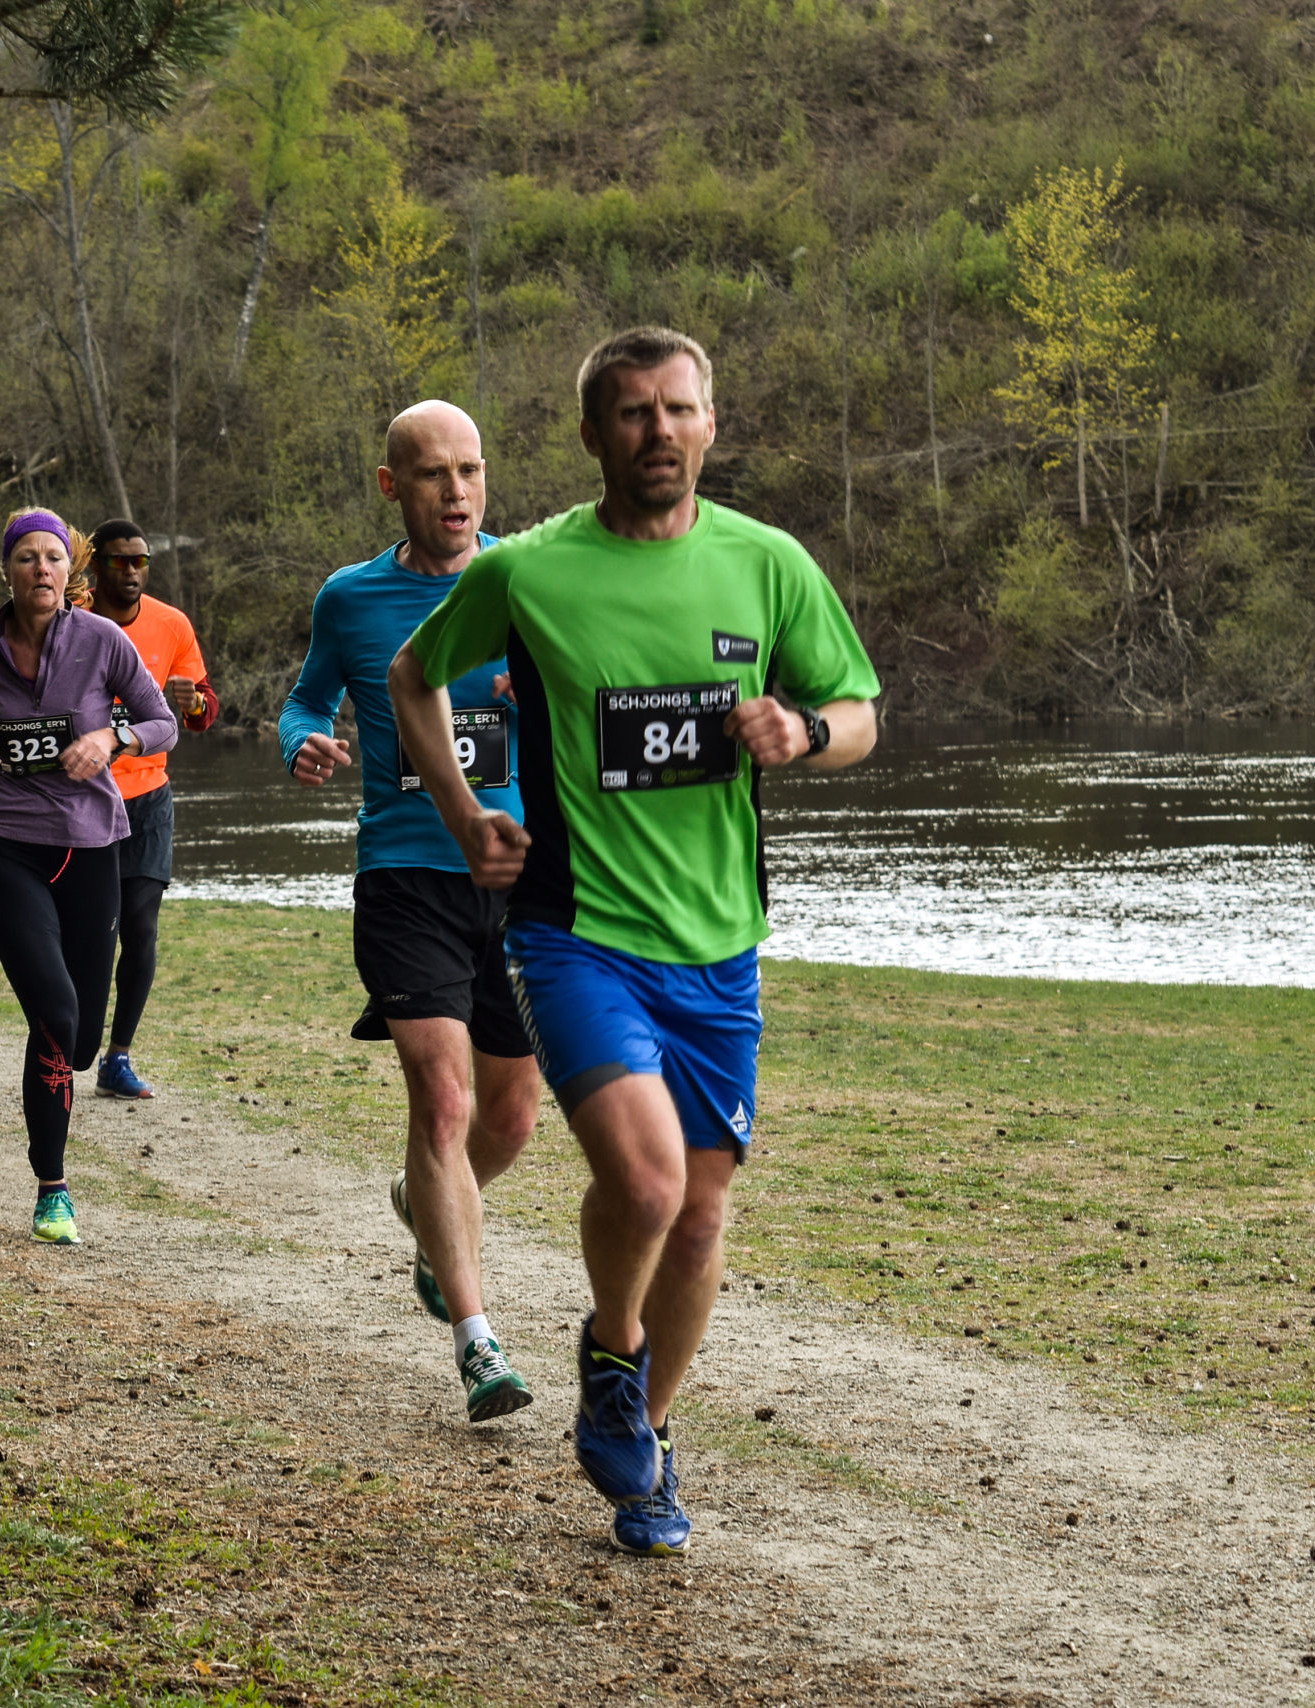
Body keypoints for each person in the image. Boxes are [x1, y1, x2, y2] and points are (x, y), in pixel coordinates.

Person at [389, 328, 881, 1554]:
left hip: (719, 945)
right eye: (630, 413)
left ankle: (642, 1437)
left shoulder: (766, 565)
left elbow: (860, 710)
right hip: (575, 932)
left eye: (678, 409)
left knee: (702, 1215)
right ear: (592, 433)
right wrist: (465, 817)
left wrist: (803, 734)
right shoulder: (534, 573)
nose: (657, 431)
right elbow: (412, 675)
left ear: (711, 422)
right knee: (649, 1178)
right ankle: (613, 1340)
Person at [280, 400, 543, 1423]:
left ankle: (429, 1212)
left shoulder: (525, 579)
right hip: (403, 878)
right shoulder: (350, 598)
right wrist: (299, 742)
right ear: (393, 486)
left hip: (519, 880)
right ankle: (477, 1342)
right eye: (433, 474)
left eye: (471, 470)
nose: (458, 492)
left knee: (511, 1112)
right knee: (439, 1102)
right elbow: (307, 699)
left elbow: (584, 692)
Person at [0, 508, 177, 1244]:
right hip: (9, 846)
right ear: (7, 570)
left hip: (93, 847)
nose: (41, 569)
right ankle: (53, 1186)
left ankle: (62, 1113)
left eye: (53, 559)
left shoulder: (102, 641)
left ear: (73, 572)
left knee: (84, 1039)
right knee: (55, 1014)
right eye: (27, 558)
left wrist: (110, 736)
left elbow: (160, 722)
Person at [77, 519, 219, 1098]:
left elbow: (207, 713)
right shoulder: (72, 618)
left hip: (149, 799)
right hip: (82, 798)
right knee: (89, 934)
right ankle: (71, 1041)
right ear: (96, 568)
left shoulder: (172, 624)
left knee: (140, 928)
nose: (132, 572)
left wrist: (193, 704)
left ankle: (118, 1055)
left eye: (141, 561)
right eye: (119, 562)